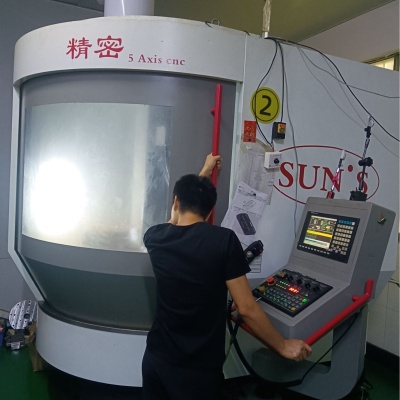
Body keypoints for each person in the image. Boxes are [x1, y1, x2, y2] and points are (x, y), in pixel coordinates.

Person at [142, 154, 312, 400]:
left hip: (156, 359)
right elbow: (246, 308)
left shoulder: (155, 237)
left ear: (176, 201)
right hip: (197, 370)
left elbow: (174, 221)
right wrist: (283, 346)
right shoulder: (223, 241)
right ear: (211, 209)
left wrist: (204, 171)